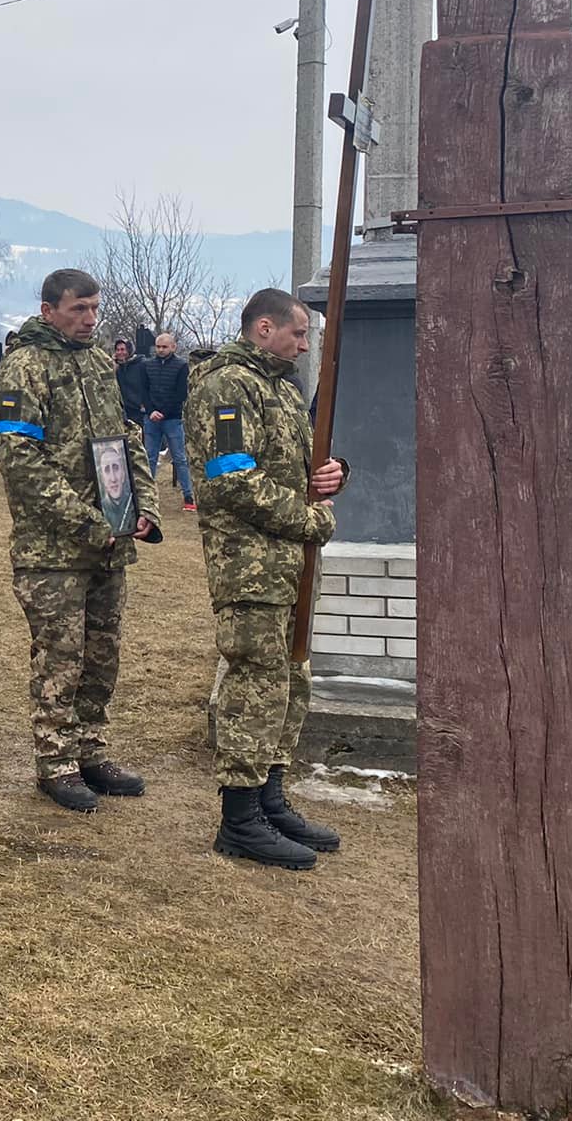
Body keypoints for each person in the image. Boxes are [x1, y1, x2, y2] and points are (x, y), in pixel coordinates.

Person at [188, 289, 348, 870]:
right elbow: (232, 479)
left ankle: (270, 797)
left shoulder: (281, 388)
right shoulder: (227, 386)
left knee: (288, 681)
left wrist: (333, 474)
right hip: (249, 563)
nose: (305, 346)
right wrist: (308, 518)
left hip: (290, 561)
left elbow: (298, 467)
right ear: (263, 328)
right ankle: (240, 818)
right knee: (254, 682)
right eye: (299, 334)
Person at [0, 268, 159, 813]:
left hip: (109, 542)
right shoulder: (22, 369)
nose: (89, 319)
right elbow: (21, 462)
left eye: (94, 308)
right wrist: (90, 521)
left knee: (102, 653)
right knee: (62, 654)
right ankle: (56, 760)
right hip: (53, 550)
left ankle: (90, 748)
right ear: (48, 310)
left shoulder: (97, 361)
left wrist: (143, 507)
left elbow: (124, 437)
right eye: (78, 309)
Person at [141, 331, 195, 512]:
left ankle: (188, 496)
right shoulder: (147, 365)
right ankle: (147, 497)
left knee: (179, 458)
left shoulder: (181, 366)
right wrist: (151, 411)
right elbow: (143, 391)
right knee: (150, 457)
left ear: (173, 347)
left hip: (172, 418)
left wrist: (162, 412)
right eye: (158, 346)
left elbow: (180, 394)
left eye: (164, 346)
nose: (161, 350)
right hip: (151, 419)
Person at [113, 338, 148, 432]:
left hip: (142, 411)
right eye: (117, 350)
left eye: (123, 349)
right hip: (126, 412)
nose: (120, 352)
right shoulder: (118, 368)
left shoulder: (142, 364)